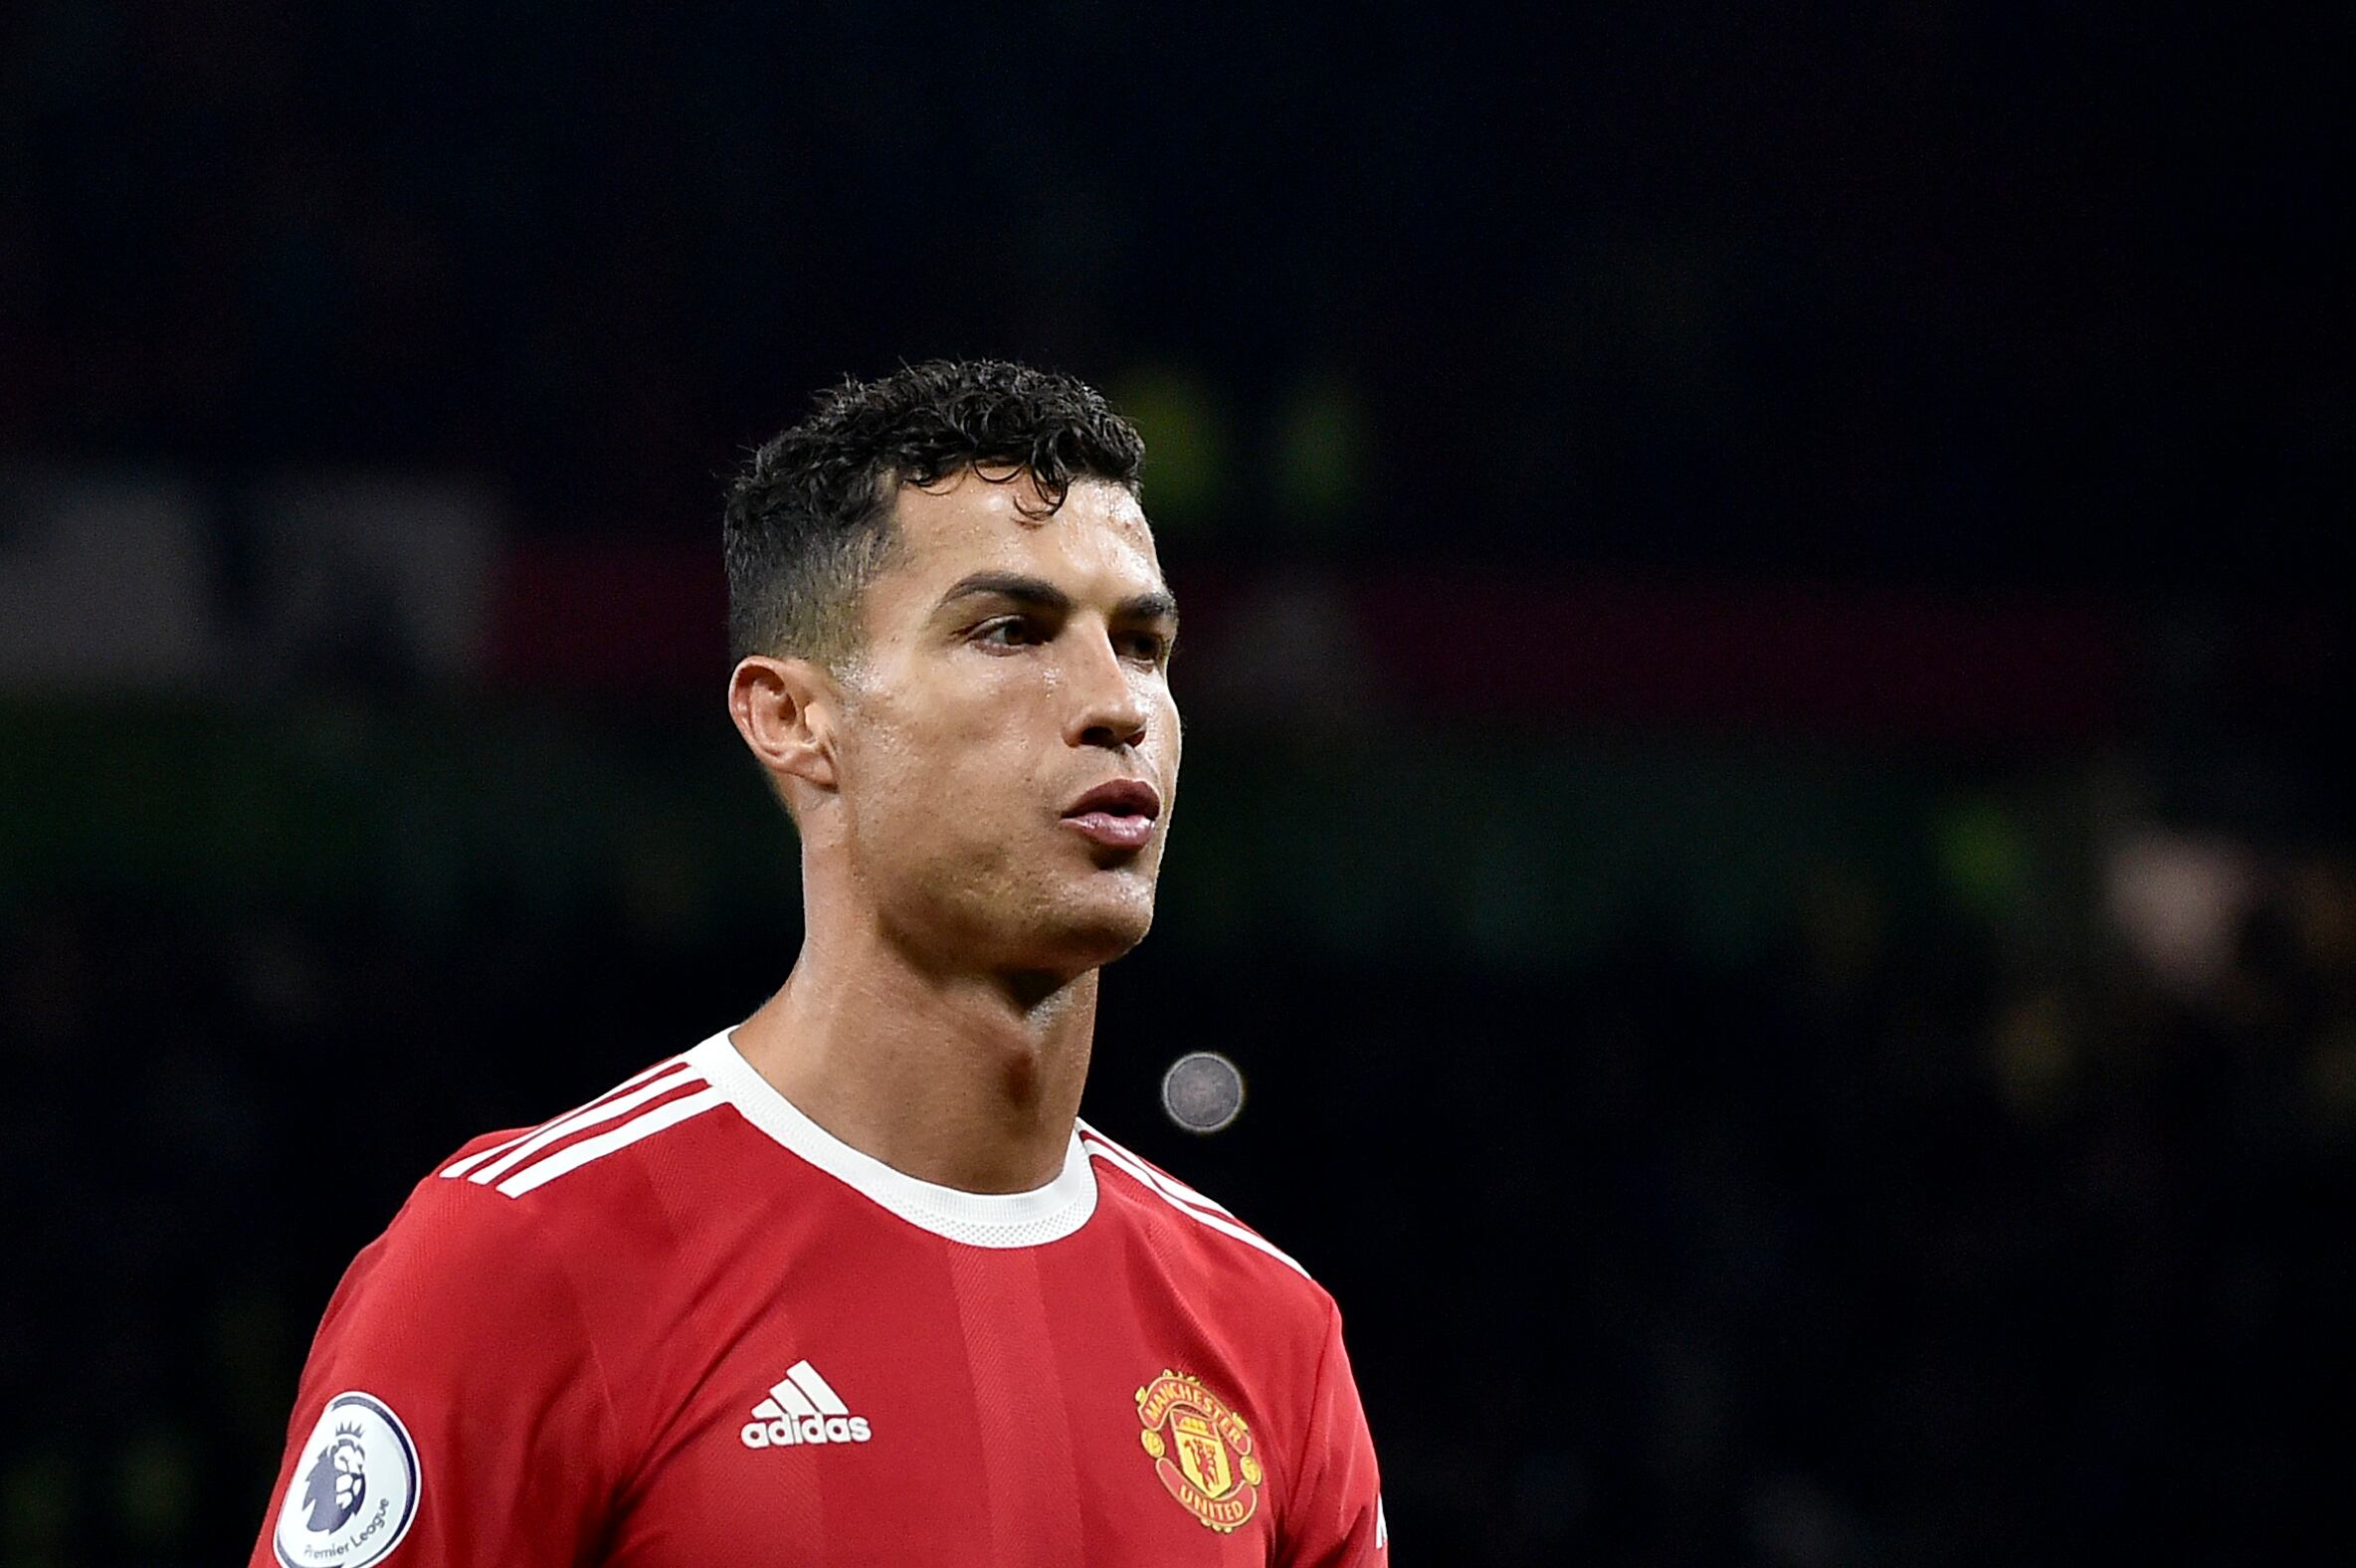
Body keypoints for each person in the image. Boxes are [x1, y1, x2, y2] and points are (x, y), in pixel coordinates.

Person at [250, 359, 1387, 1566]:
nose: (1116, 704)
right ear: (792, 719)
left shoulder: (1270, 1333)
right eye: (1010, 631)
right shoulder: (529, 1260)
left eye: (1144, 643)